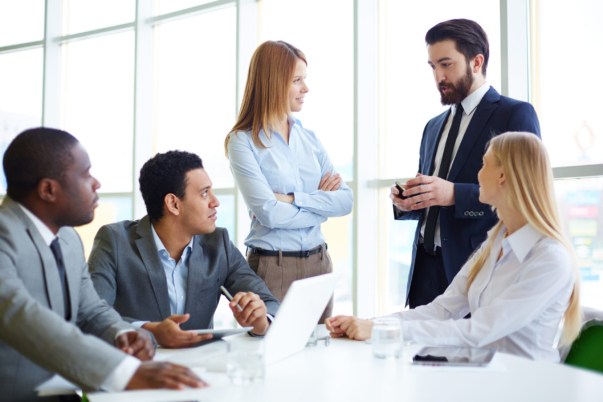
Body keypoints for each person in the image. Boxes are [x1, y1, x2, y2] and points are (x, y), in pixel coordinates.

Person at [327, 132, 582, 362]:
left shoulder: (550, 259)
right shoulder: (494, 244)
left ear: (502, 176)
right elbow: (443, 309)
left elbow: (480, 330)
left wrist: (383, 331)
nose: (478, 174)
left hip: (524, 388)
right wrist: (371, 325)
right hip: (483, 376)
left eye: (484, 165)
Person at [0, 128, 206, 402]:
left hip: (63, 394)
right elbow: (17, 314)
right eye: (85, 175)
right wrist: (125, 372)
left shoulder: (68, 237)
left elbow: (89, 310)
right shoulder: (4, 233)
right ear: (48, 189)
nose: (96, 183)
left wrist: (124, 333)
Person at [391, 19, 541, 308]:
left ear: (476, 62)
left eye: (446, 64)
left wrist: (453, 195)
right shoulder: (433, 126)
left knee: (469, 353)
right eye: (433, 66)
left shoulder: (514, 115)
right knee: (421, 352)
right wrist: (407, 202)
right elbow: (434, 198)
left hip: (476, 267)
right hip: (423, 269)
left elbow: (524, 195)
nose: (438, 76)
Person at [89, 151, 280, 348]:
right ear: (173, 204)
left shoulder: (218, 243)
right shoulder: (114, 241)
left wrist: (261, 321)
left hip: (202, 368)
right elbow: (91, 315)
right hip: (139, 365)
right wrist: (149, 331)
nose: (215, 202)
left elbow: (271, 305)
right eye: (204, 193)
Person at [225, 41, 353, 323]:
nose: (306, 88)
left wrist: (292, 199)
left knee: (318, 357)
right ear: (273, 83)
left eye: (304, 79)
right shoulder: (242, 141)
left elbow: (345, 201)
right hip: (273, 266)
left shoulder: (310, 138)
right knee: (273, 357)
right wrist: (320, 202)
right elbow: (269, 214)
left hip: (319, 264)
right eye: (297, 80)